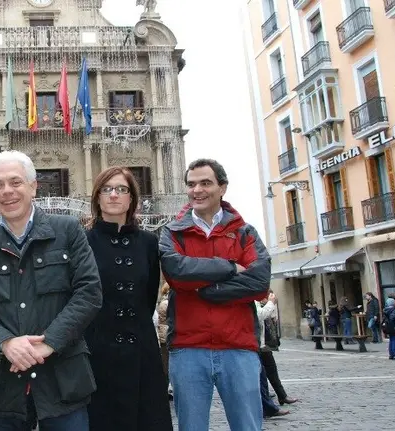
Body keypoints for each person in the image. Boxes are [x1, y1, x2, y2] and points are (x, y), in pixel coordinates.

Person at [0, 150, 103, 430]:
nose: (7, 191)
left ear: (34, 186)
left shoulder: (68, 230)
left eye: (16, 182)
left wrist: (49, 343)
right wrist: (6, 343)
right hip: (2, 382)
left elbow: (89, 293)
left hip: (63, 377)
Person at [159, 158, 270, 431]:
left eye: (205, 183)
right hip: (188, 349)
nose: (197, 190)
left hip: (238, 348)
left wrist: (204, 289)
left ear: (222, 187)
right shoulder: (173, 233)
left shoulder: (245, 233)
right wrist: (229, 266)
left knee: (248, 427)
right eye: (192, 184)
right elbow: (175, 272)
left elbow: (258, 282)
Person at [84, 167, 171, 430]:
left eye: (122, 189)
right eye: (107, 189)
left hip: (141, 350)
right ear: (97, 197)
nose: (114, 195)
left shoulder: (148, 243)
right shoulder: (83, 241)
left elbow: (147, 296)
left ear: (132, 199)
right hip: (98, 349)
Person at [256, 292, 297, 409]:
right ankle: (267, 404)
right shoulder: (251, 298)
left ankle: (281, 395)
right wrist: (270, 303)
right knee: (261, 375)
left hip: (262, 343)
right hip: (256, 343)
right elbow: (260, 315)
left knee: (271, 369)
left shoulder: (257, 299)